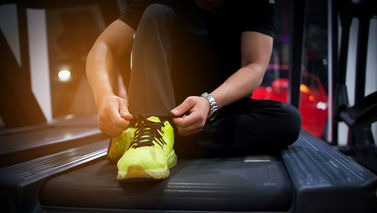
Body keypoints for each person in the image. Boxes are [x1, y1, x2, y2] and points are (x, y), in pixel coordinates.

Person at [86, 0, 302, 181]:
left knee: (288, 120)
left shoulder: (254, 2)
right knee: (156, 12)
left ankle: (148, 139)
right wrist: (104, 97)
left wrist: (210, 102)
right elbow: (106, 45)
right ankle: (153, 129)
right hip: (166, 107)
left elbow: (254, 66)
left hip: (219, 106)